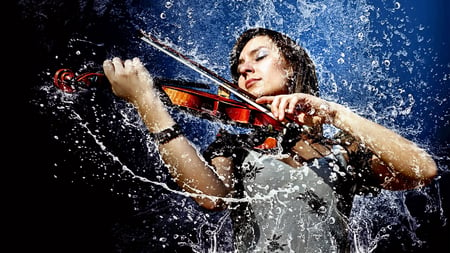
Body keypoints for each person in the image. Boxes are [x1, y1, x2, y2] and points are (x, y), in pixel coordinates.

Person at [102, 27, 437, 252]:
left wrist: (335, 114)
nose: (243, 70)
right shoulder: (233, 146)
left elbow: (422, 169)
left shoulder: (340, 149)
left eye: (258, 57)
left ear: (292, 67)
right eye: (238, 66)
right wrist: (148, 103)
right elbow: (209, 197)